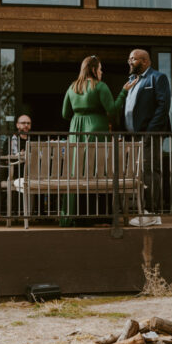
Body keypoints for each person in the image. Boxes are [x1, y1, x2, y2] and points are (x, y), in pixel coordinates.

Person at [60, 55, 119, 225]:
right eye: (100, 68)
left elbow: (65, 114)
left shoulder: (72, 87)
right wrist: (123, 92)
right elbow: (113, 110)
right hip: (95, 129)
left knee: (76, 172)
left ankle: (75, 215)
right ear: (94, 70)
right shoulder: (100, 86)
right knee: (97, 171)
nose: (102, 71)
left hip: (75, 130)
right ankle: (96, 214)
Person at [116, 48, 171, 227]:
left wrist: (150, 132)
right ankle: (143, 210)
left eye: (133, 59)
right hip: (133, 137)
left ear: (145, 62)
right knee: (138, 174)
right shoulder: (132, 80)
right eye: (129, 58)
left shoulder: (157, 78)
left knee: (150, 171)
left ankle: (152, 212)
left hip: (150, 135)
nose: (129, 62)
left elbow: (163, 106)